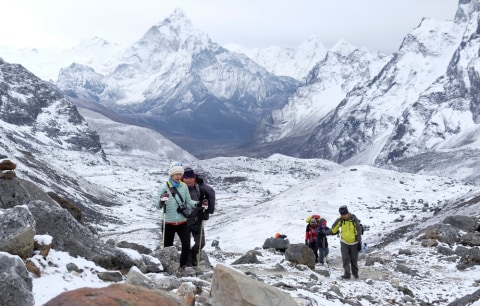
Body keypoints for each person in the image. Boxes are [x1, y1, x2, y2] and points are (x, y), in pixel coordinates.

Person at [156, 162, 198, 269]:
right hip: (168, 222)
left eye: (180, 174)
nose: (179, 176)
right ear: (171, 174)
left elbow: (188, 201)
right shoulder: (163, 187)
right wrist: (162, 201)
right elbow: (157, 206)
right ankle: (169, 267)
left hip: (182, 222)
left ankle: (182, 266)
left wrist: (198, 204)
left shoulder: (183, 186)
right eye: (176, 174)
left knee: (186, 245)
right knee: (167, 247)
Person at [182, 167, 216, 266]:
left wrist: (204, 211)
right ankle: (187, 263)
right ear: (182, 179)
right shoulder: (179, 189)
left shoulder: (200, 189)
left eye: (191, 178)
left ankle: (193, 256)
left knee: (201, 243)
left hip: (197, 220)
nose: (188, 180)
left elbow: (204, 203)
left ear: (194, 178)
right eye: (186, 178)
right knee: (186, 244)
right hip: (184, 221)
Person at [322, 205, 362, 279]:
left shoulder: (354, 219)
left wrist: (359, 243)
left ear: (348, 213)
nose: (344, 216)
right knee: (345, 259)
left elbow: (358, 232)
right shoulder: (340, 220)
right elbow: (334, 229)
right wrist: (324, 233)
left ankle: (355, 275)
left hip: (354, 243)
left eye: (345, 214)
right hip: (344, 242)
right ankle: (347, 275)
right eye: (342, 215)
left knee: (354, 260)